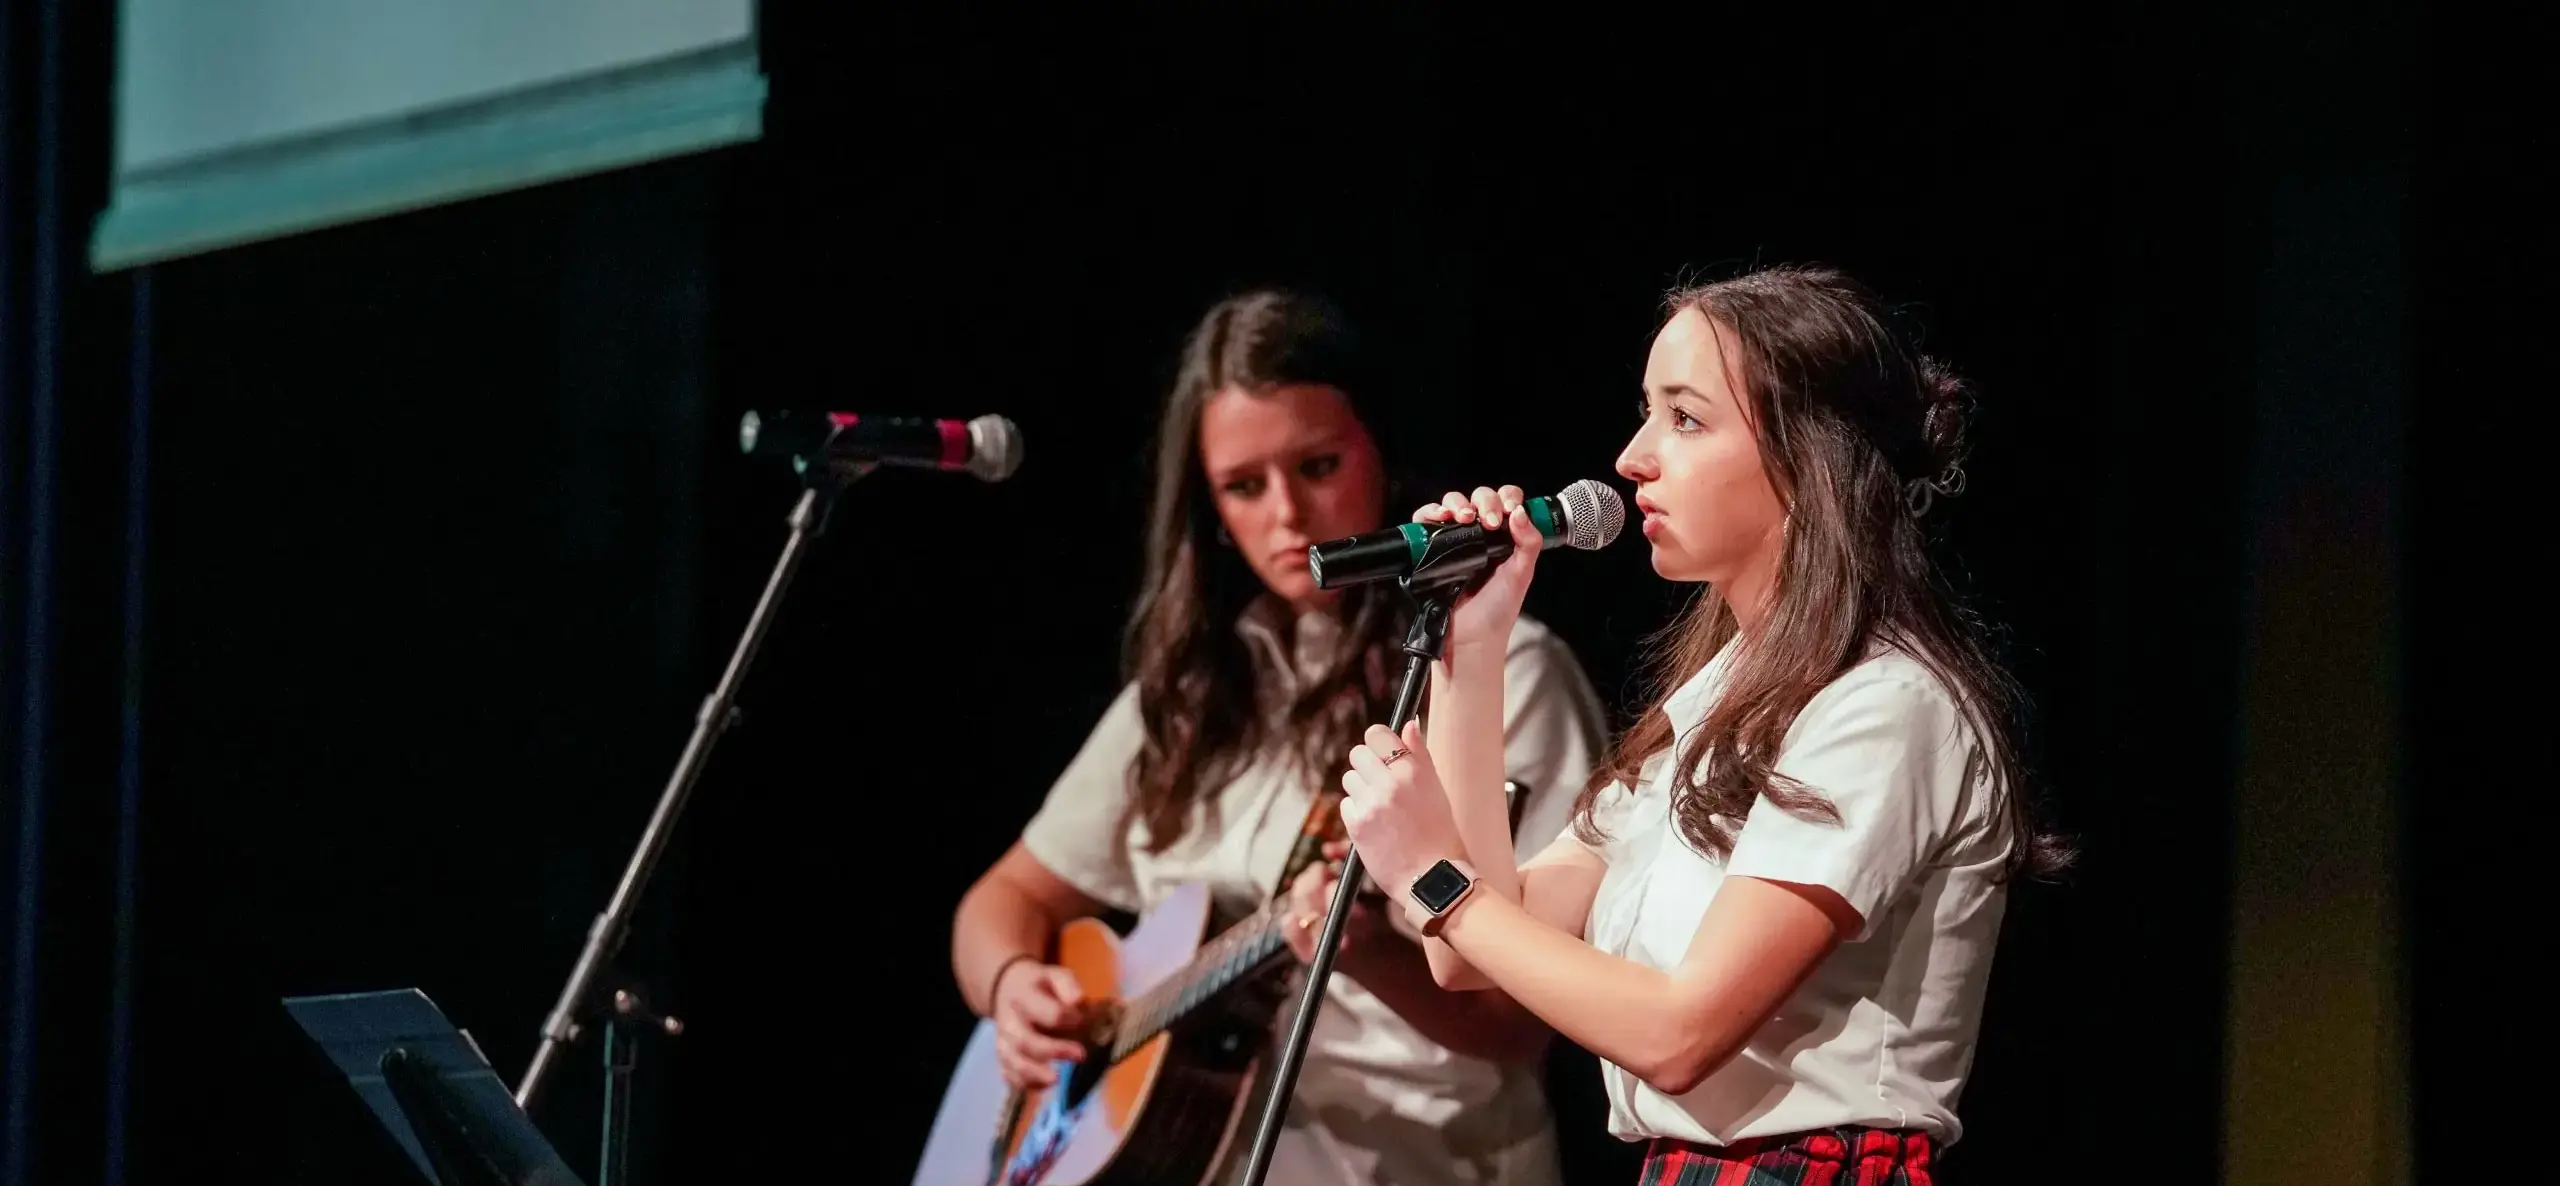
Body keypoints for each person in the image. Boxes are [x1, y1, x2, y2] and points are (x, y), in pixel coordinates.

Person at [1331, 265, 2072, 1184]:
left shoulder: (1885, 705)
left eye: (1684, 418)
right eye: (1647, 412)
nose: (1634, 456)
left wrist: (1432, 879)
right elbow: (1483, 950)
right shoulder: (1717, 698)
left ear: (1809, 456)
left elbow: (1680, 1034)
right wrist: (1472, 653)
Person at [949, 287, 1612, 1186]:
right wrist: (1010, 989)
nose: (1287, 517)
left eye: (1318, 465)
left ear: (1381, 449)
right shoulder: (1183, 693)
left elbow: (1522, 1020)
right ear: (1207, 507)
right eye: (1244, 487)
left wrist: (1372, 948)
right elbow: (1004, 899)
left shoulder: (1499, 671)